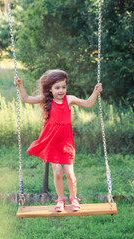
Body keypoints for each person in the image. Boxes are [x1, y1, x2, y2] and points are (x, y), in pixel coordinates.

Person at [14, 69, 102, 212]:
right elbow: (26, 99)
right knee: (58, 172)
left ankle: (73, 199)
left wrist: (96, 91)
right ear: (50, 88)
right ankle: (60, 199)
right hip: (52, 142)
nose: (61, 90)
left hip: (66, 143)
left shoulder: (69, 99)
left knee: (69, 173)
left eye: (63, 87)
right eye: (57, 87)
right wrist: (20, 86)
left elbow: (88, 103)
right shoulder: (46, 99)